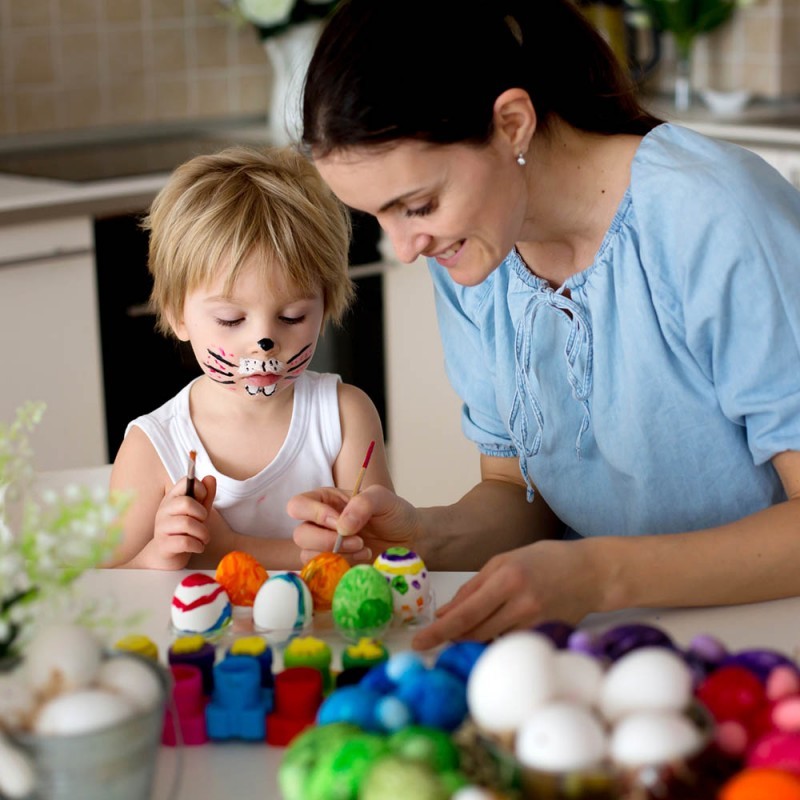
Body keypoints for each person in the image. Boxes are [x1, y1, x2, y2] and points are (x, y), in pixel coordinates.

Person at [287, 0, 800, 649]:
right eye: (378, 217)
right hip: (608, 648)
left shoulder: (713, 216)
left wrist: (600, 574)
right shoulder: (477, 253)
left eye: (417, 205)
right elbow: (515, 490)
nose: (406, 246)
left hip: (767, 647)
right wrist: (424, 537)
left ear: (511, 124)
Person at [106, 145, 392, 571]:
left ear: (327, 305)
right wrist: (155, 557)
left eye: (292, 316)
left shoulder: (343, 416)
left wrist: (231, 547)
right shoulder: (153, 447)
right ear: (176, 315)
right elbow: (104, 586)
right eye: (230, 318)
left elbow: (380, 558)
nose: (264, 340)